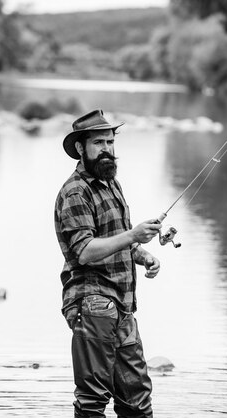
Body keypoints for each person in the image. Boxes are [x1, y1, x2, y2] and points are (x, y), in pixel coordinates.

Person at [54, 109, 162, 418]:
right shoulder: (76, 191)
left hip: (123, 306)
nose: (107, 149)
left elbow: (117, 241)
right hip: (93, 304)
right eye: (99, 142)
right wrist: (133, 235)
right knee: (92, 401)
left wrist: (144, 255)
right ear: (80, 148)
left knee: (137, 401)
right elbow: (86, 251)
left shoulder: (111, 183)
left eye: (110, 142)